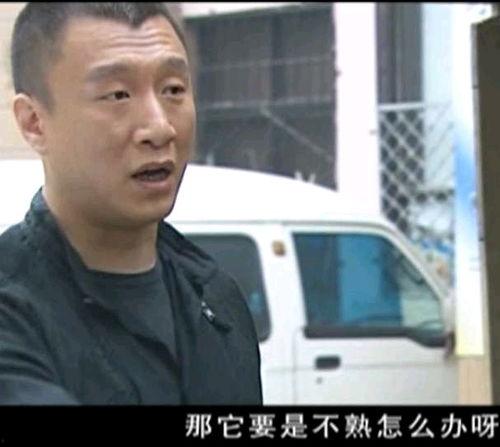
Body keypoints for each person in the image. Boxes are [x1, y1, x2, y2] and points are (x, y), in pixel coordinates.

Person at [0, 2, 263, 405]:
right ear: (34, 122)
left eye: (173, 90)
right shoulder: (14, 310)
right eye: (118, 95)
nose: (160, 127)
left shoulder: (216, 298)